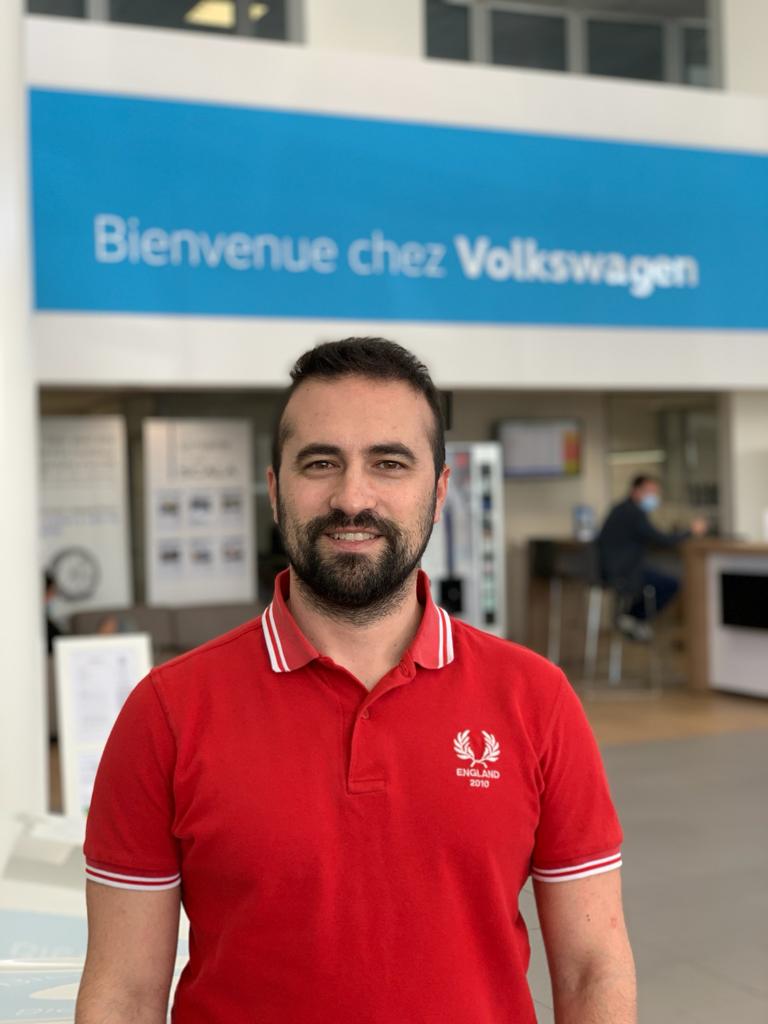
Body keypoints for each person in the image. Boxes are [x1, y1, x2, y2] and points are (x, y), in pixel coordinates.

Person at [77, 338, 636, 1024]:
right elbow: (125, 993)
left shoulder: (536, 700)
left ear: (439, 491)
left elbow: (592, 969)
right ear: (275, 489)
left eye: (388, 463)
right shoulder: (166, 711)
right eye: (320, 463)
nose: (351, 498)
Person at [597, 474, 707, 640]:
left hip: (612, 569)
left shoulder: (619, 509)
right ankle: (633, 617)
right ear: (635, 491)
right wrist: (691, 532)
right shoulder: (634, 513)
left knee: (658, 576)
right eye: (649, 492)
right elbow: (663, 540)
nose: (653, 497)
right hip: (625, 573)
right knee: (670, 584)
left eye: (655, 493)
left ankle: (631, 617)